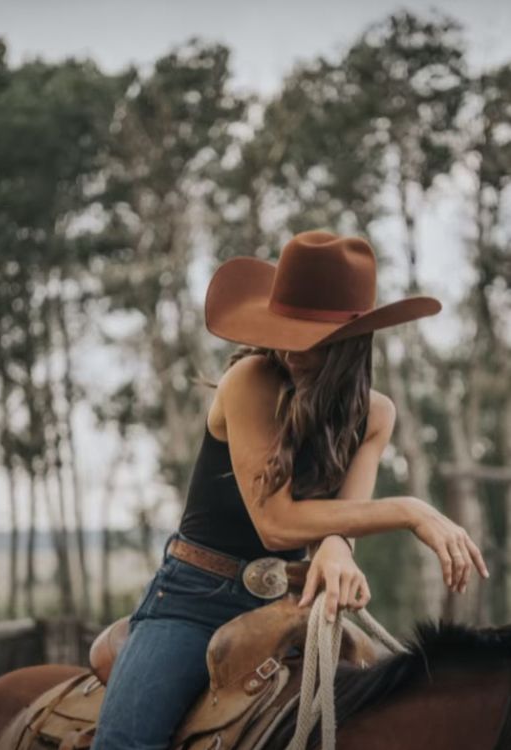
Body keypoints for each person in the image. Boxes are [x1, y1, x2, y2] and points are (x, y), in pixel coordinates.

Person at [92, 230, 490, 750]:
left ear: (351, 343)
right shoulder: (250, 380)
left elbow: (344, 521)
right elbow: (274, 523)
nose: (288, 348)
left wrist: (337, 549)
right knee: (124, 744)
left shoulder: (376, 416)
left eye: (308, 337)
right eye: (284, 328)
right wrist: (410, 510)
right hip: (194, 599)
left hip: (294, 602)